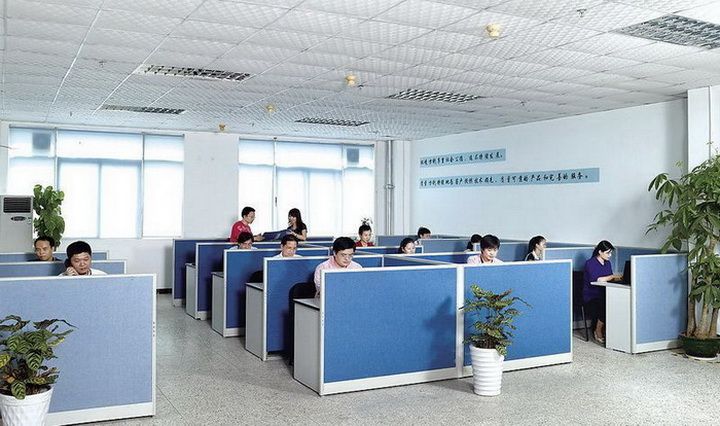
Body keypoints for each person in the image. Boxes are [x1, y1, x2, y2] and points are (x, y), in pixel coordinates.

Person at [583, 240, 623, 344]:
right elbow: (597, 279)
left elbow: (608, 278)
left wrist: (617, 278)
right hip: (591, 296)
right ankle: (598, 330)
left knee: (615, 302)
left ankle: (613, 332)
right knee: (605, 304)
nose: (610, 255)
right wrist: (612, 276)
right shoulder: (590, 263)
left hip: (604, 293)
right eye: (608, 253)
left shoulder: (607, 263)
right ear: (600, 252)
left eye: (610, 253)